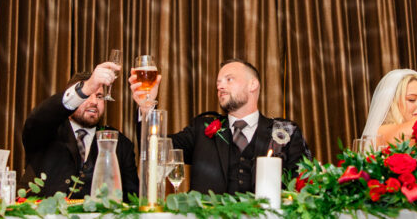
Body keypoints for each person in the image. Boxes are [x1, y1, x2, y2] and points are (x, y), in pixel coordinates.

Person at [133, 58, 311, 195]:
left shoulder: (285, 132)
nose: (221, 86)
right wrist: (146, 107)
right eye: (218, 83)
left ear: (253, 84)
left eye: (229, 79)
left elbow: (305, 185)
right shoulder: (201, 129)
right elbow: (154, 148)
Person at [22, 62, 139, 198]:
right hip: (45, 218)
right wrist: (84, 89)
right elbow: (37, 119)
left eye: (99, 96)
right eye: (88, 95)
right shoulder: (47, 130)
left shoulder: (120, 143)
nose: (94, 102)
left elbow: (132, 198)